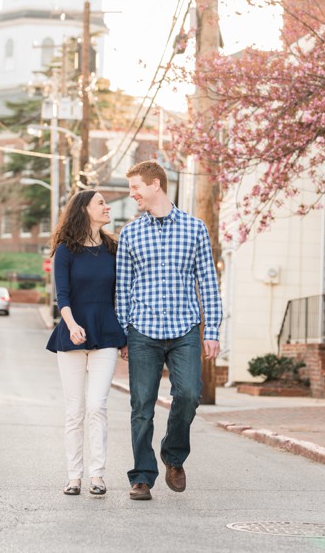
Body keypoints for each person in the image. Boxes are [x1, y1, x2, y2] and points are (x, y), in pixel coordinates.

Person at [115, 161, 222, 501]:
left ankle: (173, 457)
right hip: (143, 331)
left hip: (184, 329)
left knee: (189, 394)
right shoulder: (130, 233)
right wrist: (123, 333)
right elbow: (123, 288)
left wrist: (213, 329)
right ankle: (142, 476)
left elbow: (208, 281)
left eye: (136, 188)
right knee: (141, 406)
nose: (133, 195)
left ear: (155, 184)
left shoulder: (195, 229)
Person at [45, 191, 127, 496]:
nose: (107, 207)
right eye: (101, 203)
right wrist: (71, 324)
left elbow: (121, 294)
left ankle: (98, 475)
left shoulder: (112, 248)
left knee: (97, 405)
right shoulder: (66, 250)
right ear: (84, 209)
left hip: (105, 333)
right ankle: (74, 476)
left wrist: (125, 335)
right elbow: (62, 296)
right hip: (72, 335)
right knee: (75, 410)